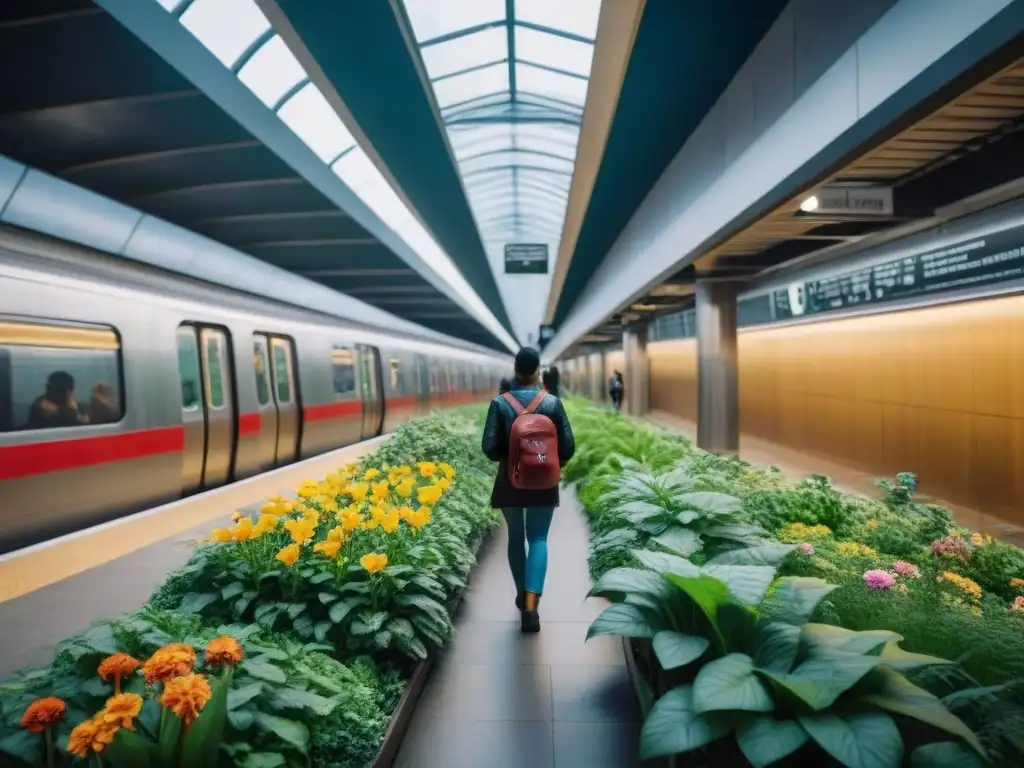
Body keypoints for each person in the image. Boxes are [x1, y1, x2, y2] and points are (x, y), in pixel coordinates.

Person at [482, 347, 575, 633]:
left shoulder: (499, 404)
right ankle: (533, 608)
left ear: (515, 369)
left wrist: (515, 454)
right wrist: (542, 457)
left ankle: (522, 595)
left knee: (515, 538)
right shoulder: (552, 404)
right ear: (538, 371)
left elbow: (489, 448)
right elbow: (568, 448)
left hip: (510, 481)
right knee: (538, 538)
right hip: (543, 481)